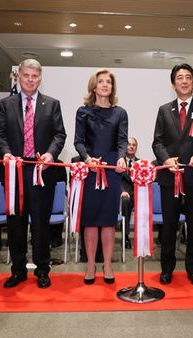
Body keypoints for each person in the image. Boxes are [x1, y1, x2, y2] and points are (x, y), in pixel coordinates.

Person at [0, 59, 67, 288]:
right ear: (19, 76)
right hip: (15, 172)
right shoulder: (6, 104)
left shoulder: (52, 104)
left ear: (40, 78)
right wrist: (5, 153)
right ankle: (18, 270)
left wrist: (51, 155)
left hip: (41, 173)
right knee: (15, 223)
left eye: (34, 76)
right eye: (26, 75)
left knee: (41, 225)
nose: (30, 80)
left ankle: (43, 269)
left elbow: (59, 135)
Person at [152, 63, 193, 287]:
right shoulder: (164, 109)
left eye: (188, 77)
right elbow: (158, 141)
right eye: (179, 77)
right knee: (169, 226)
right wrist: (165, 159)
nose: (184, 81)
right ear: (173, 84)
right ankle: (167, 269)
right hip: (170, 177)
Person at [74, 68, 128, 285]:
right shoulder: (82, 111)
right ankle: (90, 265)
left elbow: (122, 140)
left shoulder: (120, 112)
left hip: (112, 170)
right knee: (90, 221)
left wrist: (122, 157)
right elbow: (78, 141)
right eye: (101, 81)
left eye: (109, 82)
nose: (105, 85)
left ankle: (107, 264)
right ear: (93, 86)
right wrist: (87, 158)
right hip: (90, 169)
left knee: (107, 221)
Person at [121, 137, 140, 249]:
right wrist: (122, 191)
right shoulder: (119, 161)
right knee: (126, 201)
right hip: (123, 195)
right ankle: (125, 236)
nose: (131, 146)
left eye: (134, 145)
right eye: (129, 144)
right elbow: (115, 180)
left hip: (137, 194)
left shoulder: (140, 163)